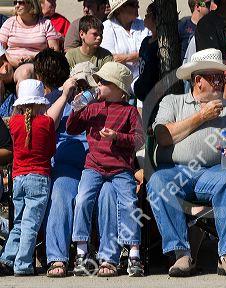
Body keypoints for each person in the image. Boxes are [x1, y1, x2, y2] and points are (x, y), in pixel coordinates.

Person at [146, 48, 226, 277]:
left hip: (214, 172)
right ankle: (181, 254)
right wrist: (201, 116)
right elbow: (163, 137)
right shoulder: (172, 102)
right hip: (174, 171)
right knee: (157, 182)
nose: (221, 83)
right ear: (198, 81)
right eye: (215, 77)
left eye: (223, 77)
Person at [66, 62, 144, 277]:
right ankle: (81, 251)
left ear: (120, 90)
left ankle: (134, 252)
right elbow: (71, 128)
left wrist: (116, 137)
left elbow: (139, 140)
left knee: (129, 202)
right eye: (98, 81)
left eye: (104, 82)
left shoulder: (129, 111)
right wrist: (76, 108)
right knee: (82, 199)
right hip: (94, 166)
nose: (98, 85)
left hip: (120, 169)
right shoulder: (92, 107)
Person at [43, 59, 118, 278]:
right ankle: (57, 257)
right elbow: (47, 125)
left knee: (107, 194)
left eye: (87, 86)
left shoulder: (106, 106)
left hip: (98, 167)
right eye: (79, 85)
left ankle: (107, 257)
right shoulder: (59, 103)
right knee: (60, 194)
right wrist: (66, 96)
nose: (82, 91)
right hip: (67, 168)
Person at [0, 79, 56, 276]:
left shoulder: (14, 122)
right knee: (31, 224)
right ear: (40, 101)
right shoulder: (47, 122)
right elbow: (50, 150)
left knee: (19, 222)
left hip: (18, 177)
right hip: (39, 176)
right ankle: (23, 264)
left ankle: (7, 259)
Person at [0, 0, 60, 86]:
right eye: (15, 2)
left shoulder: (46, 24)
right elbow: (0, 48)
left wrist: (34, 57)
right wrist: (9, 60)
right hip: (9, 62)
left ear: (31, 4)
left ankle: (24, 99)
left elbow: (54, 52)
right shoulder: (10, 23)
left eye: (21, 2)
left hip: (36, 65)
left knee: (25, 72)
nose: (17, 6)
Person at [100, 0, 150, 95]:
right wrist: (139, 55)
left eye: (137, 3)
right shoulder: (107, 27)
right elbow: (111, 59)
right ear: (119, 9)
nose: (137, 7)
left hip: (145, 78)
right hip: (120, 83)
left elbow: (151, 51)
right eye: (133, 4)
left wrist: (126, 58)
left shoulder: (143, 25)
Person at [134, 2, 159, 103]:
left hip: (154, 95)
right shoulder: (146, 41)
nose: (145, 16)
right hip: (143, 93)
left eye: (148, 13)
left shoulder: (160, 44)